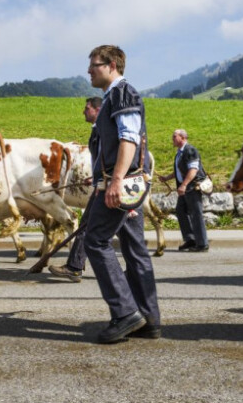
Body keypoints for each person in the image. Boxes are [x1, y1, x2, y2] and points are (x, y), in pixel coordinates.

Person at [81, 44, 161, 343]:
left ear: (112, 64)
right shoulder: (114, 96)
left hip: (121, 186)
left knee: (96, 241)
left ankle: (126, 313)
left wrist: (115, 181)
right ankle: (150, 319)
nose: (89, 71)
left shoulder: (121, 93)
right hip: (128, 185)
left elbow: (129, 139)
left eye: (94, 65)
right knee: (134, 247)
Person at [47, 96, 103, 282]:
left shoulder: (105, 129)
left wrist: (105, 180)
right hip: (103, 185)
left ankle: (75, 267)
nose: (83, 111)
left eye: (87, 108)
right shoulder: (100, 129)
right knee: (92, 227)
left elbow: (113, 156)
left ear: (98, 109)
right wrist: (95, 177)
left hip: (108, 188)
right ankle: (75, 266)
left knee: (89, 227)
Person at [159, 129, 209, 252]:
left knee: (196, 214)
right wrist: (167, 178)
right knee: (181, 211)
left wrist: (184, 185)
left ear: (182, 137)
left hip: (192, 187)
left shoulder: (190, 150)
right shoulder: (180, 153)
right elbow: (180, 170)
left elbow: (193, 170)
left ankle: (202, 244)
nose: (172, 139)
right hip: (185, 188)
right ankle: (190, 239)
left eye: (174, 136)